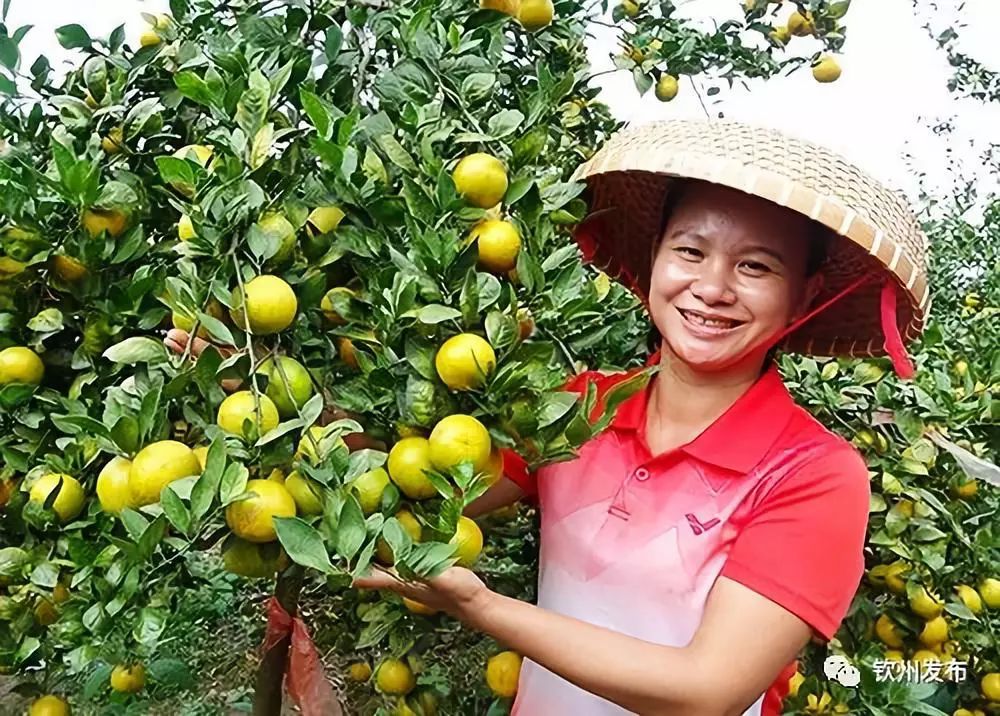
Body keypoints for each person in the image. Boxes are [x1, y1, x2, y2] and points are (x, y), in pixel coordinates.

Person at [167, 119, 929, 715]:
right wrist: (266, 390)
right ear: (656, 259)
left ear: (803, 298)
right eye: (690, 251)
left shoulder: (814, 473)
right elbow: (425, 473)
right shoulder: (583, 407)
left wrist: (481, 606)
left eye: (756, 266)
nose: (713, 287)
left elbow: (707, 691)